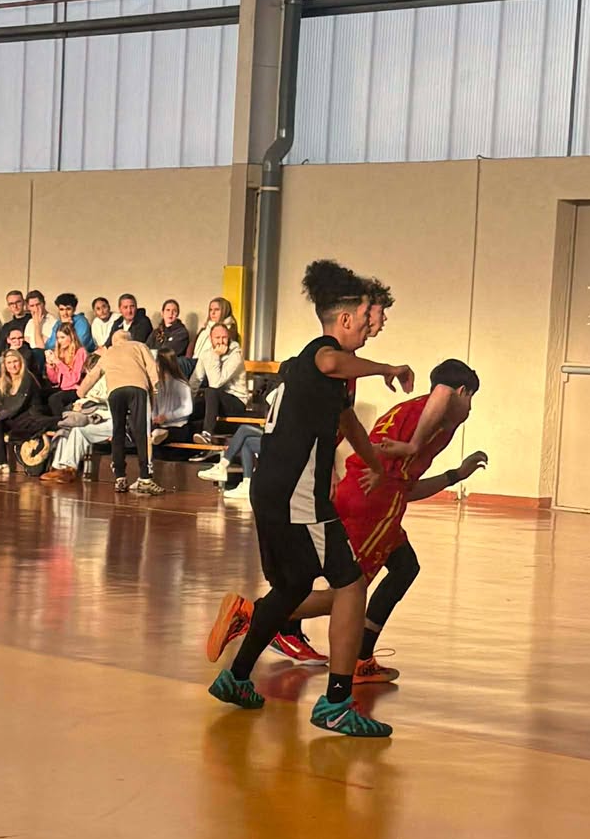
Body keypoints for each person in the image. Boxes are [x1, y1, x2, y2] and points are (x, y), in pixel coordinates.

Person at [205, 260, 413, 736]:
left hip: (272, 491)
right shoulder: (321, 356)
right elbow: (331, 360)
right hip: (298, 496)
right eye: (367, 318)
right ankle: (336, 703)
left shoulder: (309, 373)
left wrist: (376, 464)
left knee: (292, 588)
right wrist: (388, 368)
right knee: (352, 585)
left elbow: (347, 422)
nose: (371, 327)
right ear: (345, 319)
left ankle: (237, 677)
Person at [333, 360, 488, 682]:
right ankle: (263, 617)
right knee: (350, 591)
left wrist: (454, 475)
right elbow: (443, 392)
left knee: (405, 567)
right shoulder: (437, 414)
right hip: (373, 503)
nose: (471, 408)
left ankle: (362, 656)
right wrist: (413, 445)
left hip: (376, 496)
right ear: (462, 391)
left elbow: (407, 489)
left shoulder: (418, 415)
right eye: (471, 397)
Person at [82, 329, 160, 494]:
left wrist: (80, 392)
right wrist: (155, 387)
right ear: (129, 338)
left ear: (114, 341)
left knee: (117, 432)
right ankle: (145, 477)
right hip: (137, 389)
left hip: (115, 391)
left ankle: (120, 477)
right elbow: (152, 367)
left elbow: (94, 374)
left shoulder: (109, 352)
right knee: (141, 432)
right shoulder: (139, 346)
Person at [190, 322, 248, 441]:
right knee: (190, 411)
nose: (221, 341)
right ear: (210, 338)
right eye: (217, 338)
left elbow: (216, 383)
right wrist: (187, 403)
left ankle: (207, 434)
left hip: (236, 402)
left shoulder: (236, 355)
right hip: (215, 402)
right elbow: (195, 380)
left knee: (210, 391)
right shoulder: (206, 354)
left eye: (224, 337)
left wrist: (216, 356)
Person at [43, 323, 87, 415]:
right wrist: (50, 365)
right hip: (62, 387)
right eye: (58, 338)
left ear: (71, 337)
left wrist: (59, 363)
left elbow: (75, 378)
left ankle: (62, 421)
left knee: (54, 399)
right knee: (40, 394)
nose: (59, 341)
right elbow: (54, 380)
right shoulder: (60, 352)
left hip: (75, 389)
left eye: (62, 337)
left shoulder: (80, 352)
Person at [24, 290, 54, 355]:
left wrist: (37, 325)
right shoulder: (30, 322)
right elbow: (27, 343)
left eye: (38, 304)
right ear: (28, 307)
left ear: (43, 304)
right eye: (32, 306)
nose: (36, 308)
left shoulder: (53, 321)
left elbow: (41, 347)